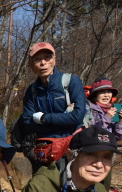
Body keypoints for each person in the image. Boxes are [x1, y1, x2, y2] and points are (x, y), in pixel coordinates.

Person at [22, 42, 87, 170]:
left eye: (47, 57)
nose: (43, 63)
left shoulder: (71, 81)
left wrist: (43, 118)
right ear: (31, 64)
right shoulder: (31, 91)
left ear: (54, 60)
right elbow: (28, 123)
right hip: (47, 150)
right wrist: (65, 120)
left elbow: (78, 117)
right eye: (37, 59)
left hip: (73, 146)